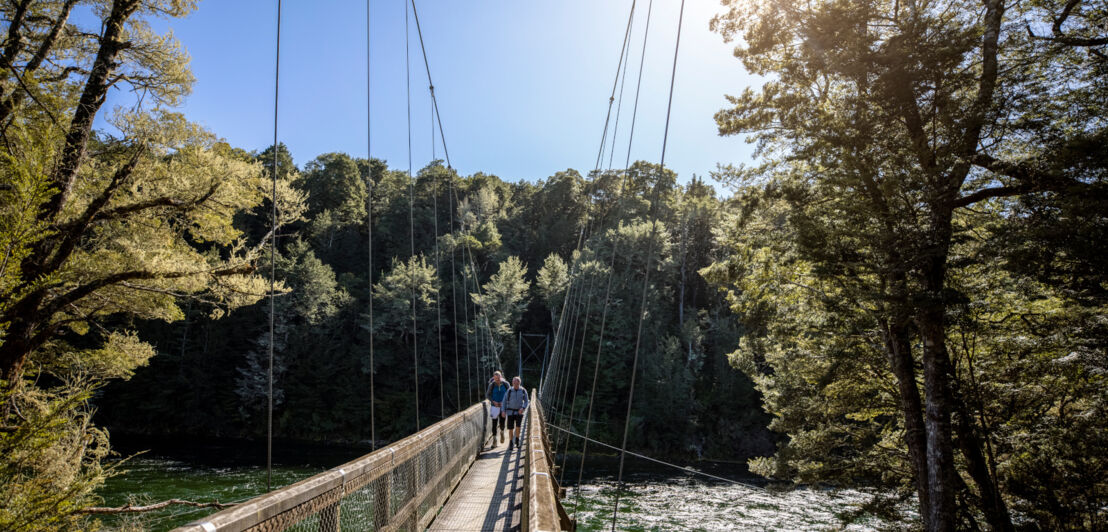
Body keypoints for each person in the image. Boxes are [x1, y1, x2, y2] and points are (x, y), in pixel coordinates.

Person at [502, 376, 529, 448]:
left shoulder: (523, 391)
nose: (515, 385)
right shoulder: (509, 391)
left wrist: (523, 408)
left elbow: (526, 401)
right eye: (514, 383)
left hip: (519, 412)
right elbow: (504, 401)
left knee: (518, 427)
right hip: (510, 412)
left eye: (516, 383)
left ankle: (517, 439)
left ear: (519, 383)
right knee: (510, 428)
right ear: (512, 383)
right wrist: (503, 411)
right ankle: (511, 442)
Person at [485, 371, 509, 444]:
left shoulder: (506, 384)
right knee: (494, 423)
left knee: (502, 422)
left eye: (498, 378)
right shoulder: (491, 385)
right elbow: (488, 395)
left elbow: (510, 393)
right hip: (494, 406)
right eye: (495, 379)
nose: (497, 380)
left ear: (501, 377)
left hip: (503, 406)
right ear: (493, 378)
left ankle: (502, 432)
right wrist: (493, 402)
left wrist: (504, 402)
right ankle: (494, 440)